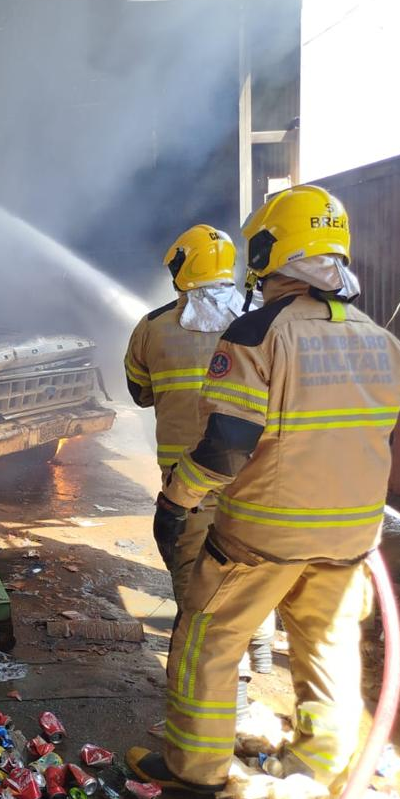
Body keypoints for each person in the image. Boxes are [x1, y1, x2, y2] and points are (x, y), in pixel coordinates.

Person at [127, 185, 400, 796]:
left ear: (268, 251)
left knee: (208, 633)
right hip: (352, 535)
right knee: (326, 647)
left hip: (266, 532)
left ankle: (196, 769)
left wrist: (177, 499)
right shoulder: (381, 341)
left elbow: (228, 442)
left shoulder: (259, 332)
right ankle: (320, 766)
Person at [124, 226, 275, 691]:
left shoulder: (153, 327)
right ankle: (263, 645)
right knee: (255, 568)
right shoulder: (268, 320)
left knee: (197, 592)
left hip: (186, 486)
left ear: (181, 267)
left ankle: (232, 703)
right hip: (258, 479)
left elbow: (139, 392)